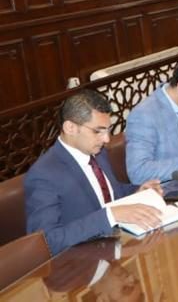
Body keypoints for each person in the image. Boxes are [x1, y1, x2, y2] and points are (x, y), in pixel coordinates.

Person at [25, 90, 164, 255]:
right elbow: (47, 242)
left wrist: (137, 191)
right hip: (80, 263)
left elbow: (109, 194)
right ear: (70, 128)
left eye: (108, 130)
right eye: (98, 131)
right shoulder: (44, 175)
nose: (107, 139)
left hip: (112, 247)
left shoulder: (97, 152)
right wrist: (110, 215)